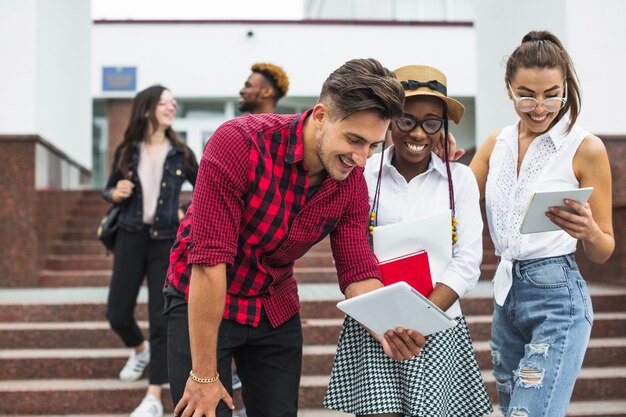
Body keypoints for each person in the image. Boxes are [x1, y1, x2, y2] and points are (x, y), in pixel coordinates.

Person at [164, 58, 427, 417]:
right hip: (204, 298)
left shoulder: (350, 184)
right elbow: (210, 265)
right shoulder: (239, 143)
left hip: (273, 304)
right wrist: (204, 376)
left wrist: (388, 326)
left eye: (373, 146)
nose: (362, 159)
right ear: (321, 116)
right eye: (353, 140)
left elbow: (357, 271)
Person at [324, 65, 493, 416]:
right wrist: (386, 318)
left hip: (437, 319)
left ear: (443, 127)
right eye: (406, 120)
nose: (418, 132)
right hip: (375, 322)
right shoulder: (361, 172)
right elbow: (351, 245)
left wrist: (422, 317)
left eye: (431, 122)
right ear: (388, 121)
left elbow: (467, 261)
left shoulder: (458, 179)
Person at [470, 30, 614, 417]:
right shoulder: (493, 145)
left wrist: (589, 232)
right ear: (508, 88)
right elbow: (458, 202)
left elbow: (604, 251)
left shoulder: (585, 147)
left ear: (566, 86)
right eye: (526, 94)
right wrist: (443, 163)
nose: (539, 107)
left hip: (557, 297)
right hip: (505, 298)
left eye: (552, 93)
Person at [102, 85, 198, 417]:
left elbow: (203, 189)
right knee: (117, 311)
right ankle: (139, 349)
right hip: (130, 235)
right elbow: (108, 186)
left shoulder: (181, 153)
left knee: (161, 319)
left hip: (166, 241)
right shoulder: (127, 150)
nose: (171, 107)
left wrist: (187, 210)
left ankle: (154, 395)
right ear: (146, 109)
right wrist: (116, 191)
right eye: (164, 102)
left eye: (174, 102)